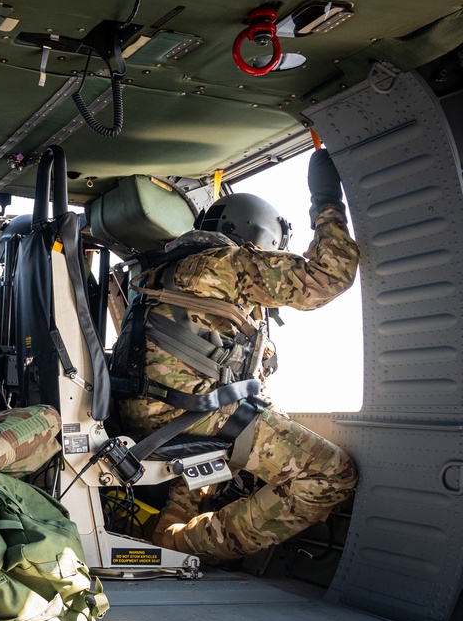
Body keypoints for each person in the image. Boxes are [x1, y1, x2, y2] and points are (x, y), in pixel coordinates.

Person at [111, 149, 359, 564]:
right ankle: (184, 545)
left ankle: (163, 534)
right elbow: (328, 276)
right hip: (185, 414)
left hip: (148, 411)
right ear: (261, 238)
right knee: (331, 475)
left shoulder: (160, 271)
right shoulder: (233, 264)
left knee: (220, 441)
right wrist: (327, 202)